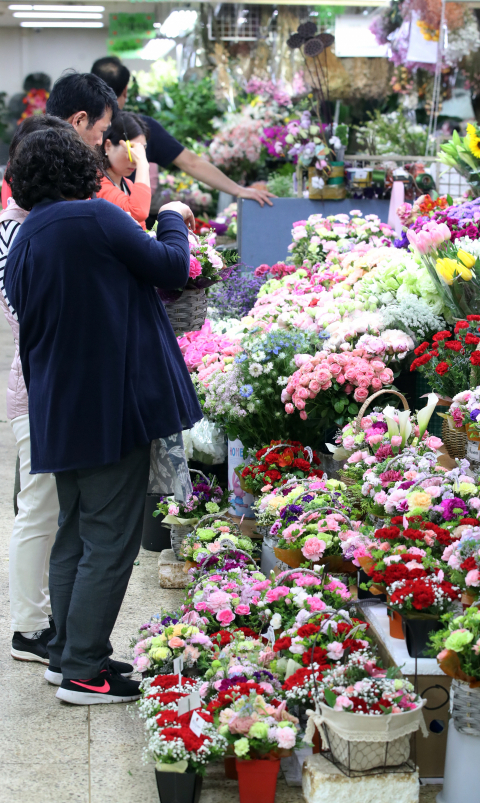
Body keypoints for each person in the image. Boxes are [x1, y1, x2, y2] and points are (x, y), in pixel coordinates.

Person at [4, 126, 202, 704]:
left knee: (74, 532)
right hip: (110, 404)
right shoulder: (93, 217)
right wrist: (172, 216)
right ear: (78, 168)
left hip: (57, 408)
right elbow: (171, 268)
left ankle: (68, 653)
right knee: (110, 539)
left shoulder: (25, 237)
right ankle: (85, 673)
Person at [0, 115, 67, 665]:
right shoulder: (20, 229)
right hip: (36, 383)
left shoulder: (26, 224)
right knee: (38, 507)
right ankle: (26, 627)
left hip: (37, 379)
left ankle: (38, 616)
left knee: (42, 504)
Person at [91, 56, 275, 207]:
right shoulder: (139, 128)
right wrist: (238, 190)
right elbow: (191, 163)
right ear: (125, 91)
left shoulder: (76, 128)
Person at [1, 72, 119, 208]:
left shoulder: (25, 158)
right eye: (101, 131)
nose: (100, 141)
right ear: (79, 120)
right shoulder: (46, 165)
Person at [98, 112, 151, 228]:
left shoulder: (128, 185)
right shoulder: (97, 183)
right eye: (131, 149)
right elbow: (138, 213)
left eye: (142, 150)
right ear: (108, 146)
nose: (136, 159)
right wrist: (143, 164)